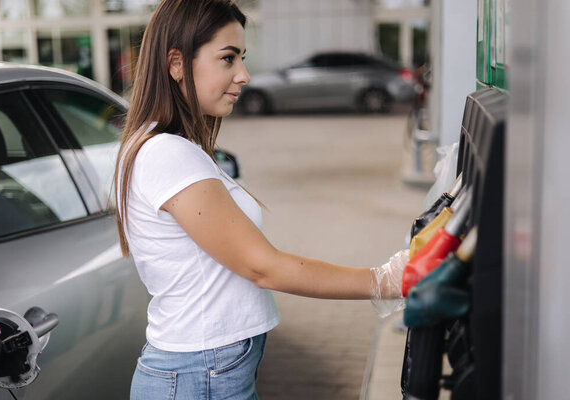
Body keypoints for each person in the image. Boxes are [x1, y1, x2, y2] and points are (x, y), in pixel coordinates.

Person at [114, 1, 408, 399]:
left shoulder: (166, 147)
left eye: (243, 58)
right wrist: (382, 281)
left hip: (204, 372)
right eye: (228, 59)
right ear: (176, 63)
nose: (244, 75)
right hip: (199, 376)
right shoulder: (167, 153)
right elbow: (263, 267)